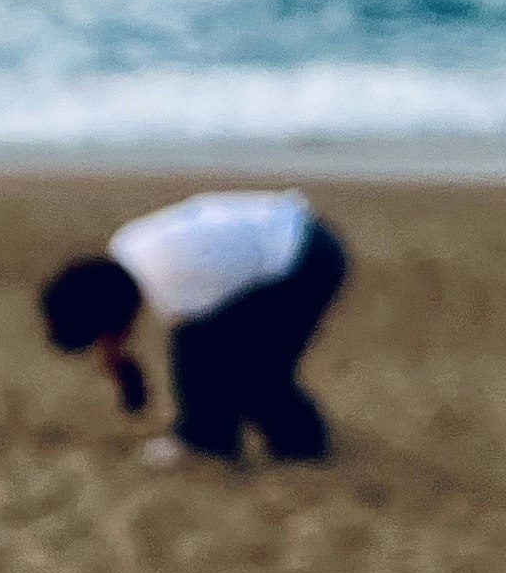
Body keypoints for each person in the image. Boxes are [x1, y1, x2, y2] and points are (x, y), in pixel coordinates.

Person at [39, 189, 350, 467]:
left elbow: (200, 353)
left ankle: (235, 443)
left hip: (304, 259)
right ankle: (220, 437)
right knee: (229, 359)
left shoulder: (169, 280)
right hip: (292, 232)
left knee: (255, 371)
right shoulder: (127, 245)